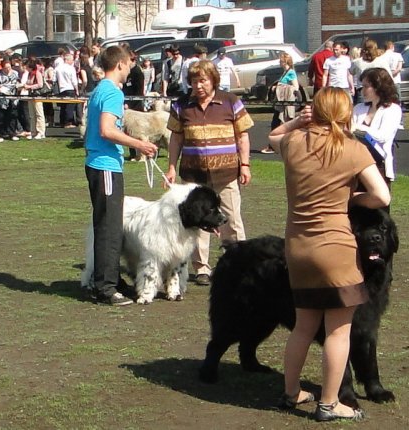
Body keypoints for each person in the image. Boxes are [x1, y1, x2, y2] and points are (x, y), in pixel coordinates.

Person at [267, 87, 390, 423]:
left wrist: (295, 122)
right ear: (346, 114)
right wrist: (352, 200)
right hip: (336, 249)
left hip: (298, 248)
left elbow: (273, 134)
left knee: (303, 326)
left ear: (315, 111)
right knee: (338, 330)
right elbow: (380, 195)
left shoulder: (293, 144)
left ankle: (291, 392)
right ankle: (329, 402)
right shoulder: (353, 149)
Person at [164, 60, 253, 286]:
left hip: (227, 174)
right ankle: (202, 268)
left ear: (213, 79)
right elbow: (176, 138)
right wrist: (172, 167)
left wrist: (245, 165)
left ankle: (237, 264)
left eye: (203, 80)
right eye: (194, 81)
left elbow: (242, 136)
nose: (198, 85)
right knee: (198, 222)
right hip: (194, 177)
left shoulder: (231, 102)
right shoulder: (182, 105)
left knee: (232, 220)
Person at [84, 45, 158, 306]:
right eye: (129, 64)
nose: (130, 69)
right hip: (105, 165)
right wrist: (139, 144)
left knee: (110, 224)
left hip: (101, 164)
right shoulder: (111, 92)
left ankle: (108, 279)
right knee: (109, 227)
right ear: (119, 65)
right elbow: (106, 129)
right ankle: (105, 288)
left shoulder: (100, 90)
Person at [352, 67, 402, 188]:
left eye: (366, 86)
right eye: (361, 86)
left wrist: (357, 127)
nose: (362, 90)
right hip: (355, 165)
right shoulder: (359, 108)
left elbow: (382, 136)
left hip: (379, 166)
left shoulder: (393, 109)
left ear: (379, 87)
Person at [262, 52, 298, 154]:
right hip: (280, 102)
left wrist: (280, 87)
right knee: (276, 122)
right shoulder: (284, 73)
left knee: (279, 123)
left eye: (281, 61)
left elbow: (295, 87)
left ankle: (275, 146)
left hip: (285, 102)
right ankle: (275, 145)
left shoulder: (291, 72)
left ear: (284, 61)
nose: (279, 62)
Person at [350, 39, 392, 104]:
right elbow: (389, 77)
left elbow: (351, 71)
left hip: (362, 91)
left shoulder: (357, 62)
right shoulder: (382, 61)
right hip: (378, 91)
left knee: (362, 112)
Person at [0, 59, 20, 142]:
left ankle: (12, 133)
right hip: (1, 99)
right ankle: (1, 134)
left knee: (12, 116)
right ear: (2, 67)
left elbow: (16, 84)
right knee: (0, 117)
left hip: (12, 98)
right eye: (6, 68)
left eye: (9, 67)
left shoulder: (15, 73)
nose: (8, 69)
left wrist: (4, 86)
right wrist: (0, 90)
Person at [23, 59, 47, 139]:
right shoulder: (30, 74)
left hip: (37, 95)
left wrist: (29, 87)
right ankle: (33, 131)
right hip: (31, 95)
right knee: (32, 114)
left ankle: (41, 132)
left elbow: (40, 84)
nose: (26, 68)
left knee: (39, 114)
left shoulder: (37, 73)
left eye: (27, 66)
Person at [54, 53, 79, 128]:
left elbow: (54, 79)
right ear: (67, 60)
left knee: (63, 106)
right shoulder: (71, 68)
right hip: (70, 88)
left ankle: (62, 122)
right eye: (72, 60)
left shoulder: (57, 68)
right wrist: (77, 89)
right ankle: (68, 123)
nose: (72, 61)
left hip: (61, 89)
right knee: (69, 107)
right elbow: (74, 80)